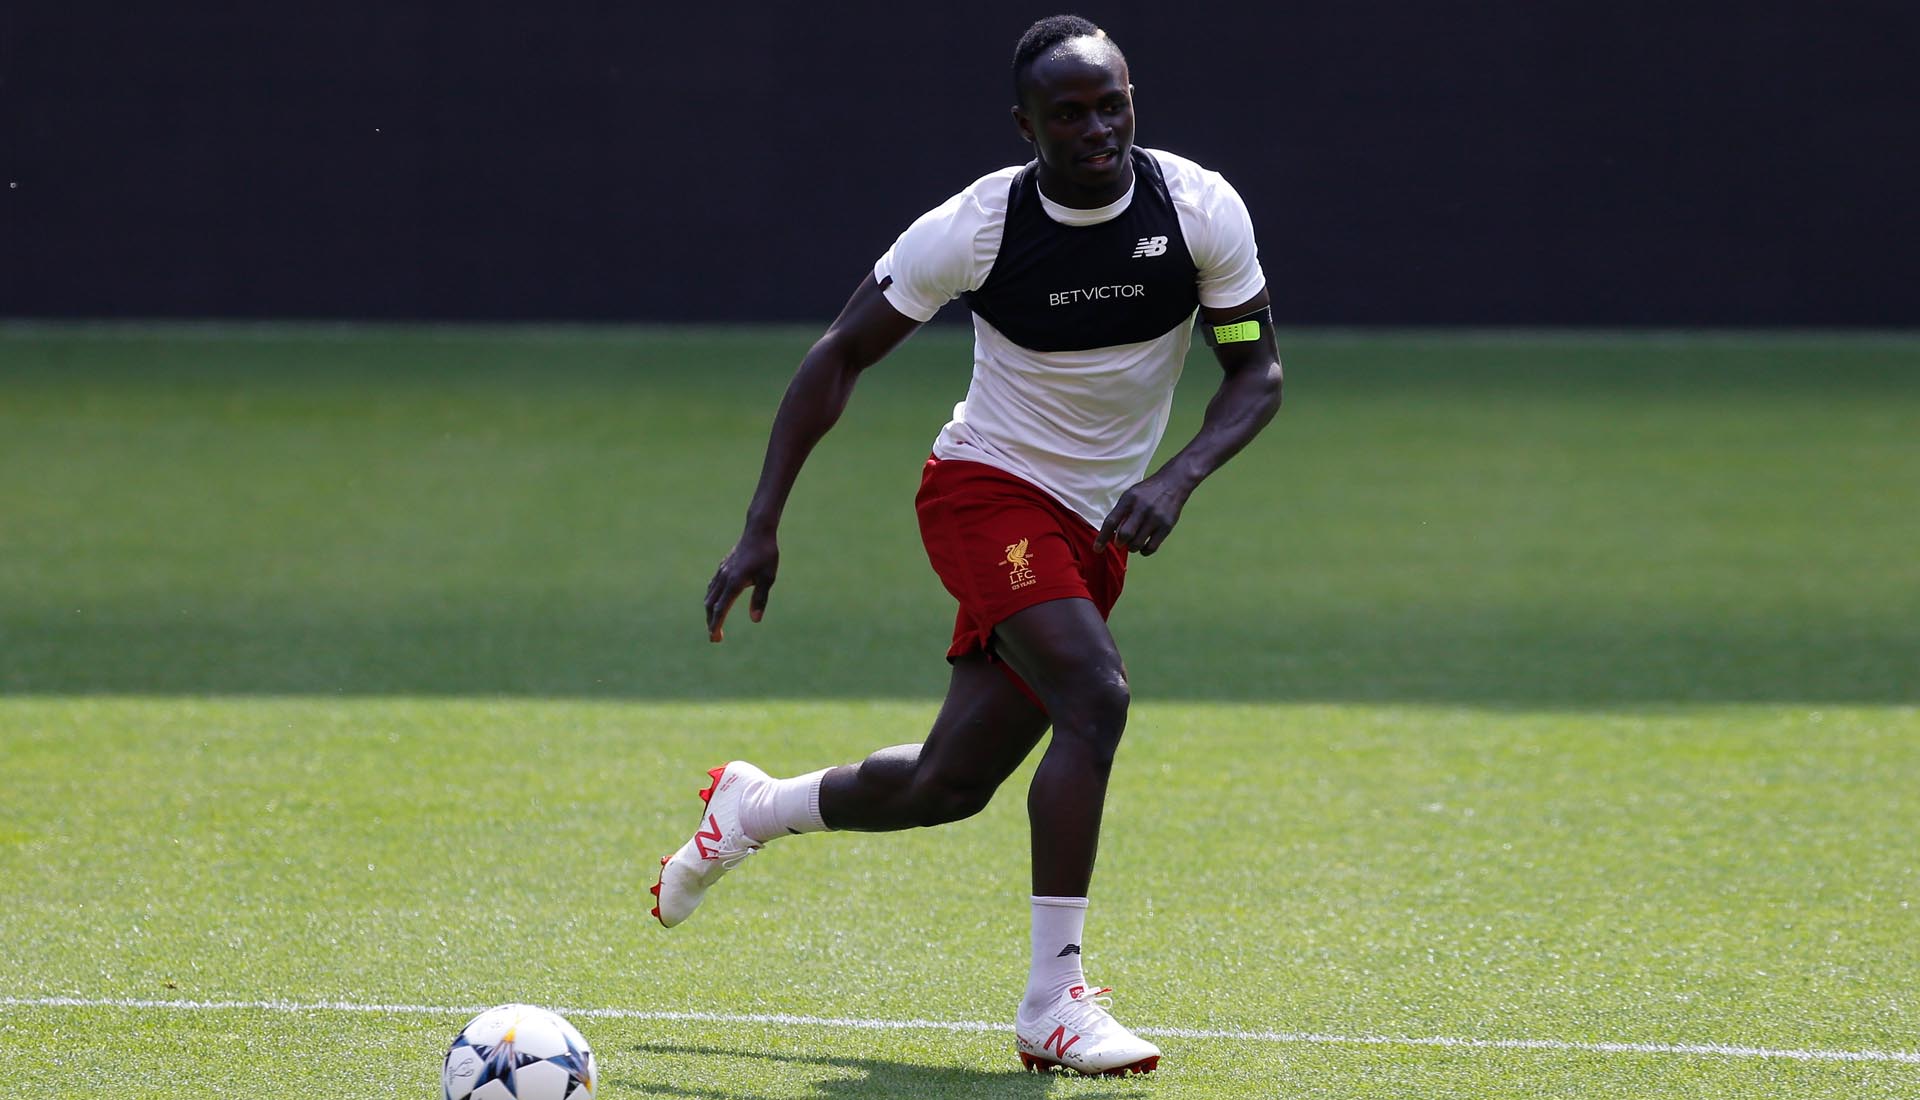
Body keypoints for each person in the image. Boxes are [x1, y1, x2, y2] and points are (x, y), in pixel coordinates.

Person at [659, 14, 1282, 1078]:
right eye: (1069, 114)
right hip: (986, 495)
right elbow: (839, 354)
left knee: (949, 784)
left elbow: (1255, 371)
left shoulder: (1198, 209)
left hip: (1091, 527)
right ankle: (1054, 1001)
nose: (1098, 129)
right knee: (1096, 696)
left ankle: (751, 807)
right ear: (1025, 127)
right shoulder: (976, 228)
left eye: (1113, 105)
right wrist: (763, 522)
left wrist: (1175, 476)